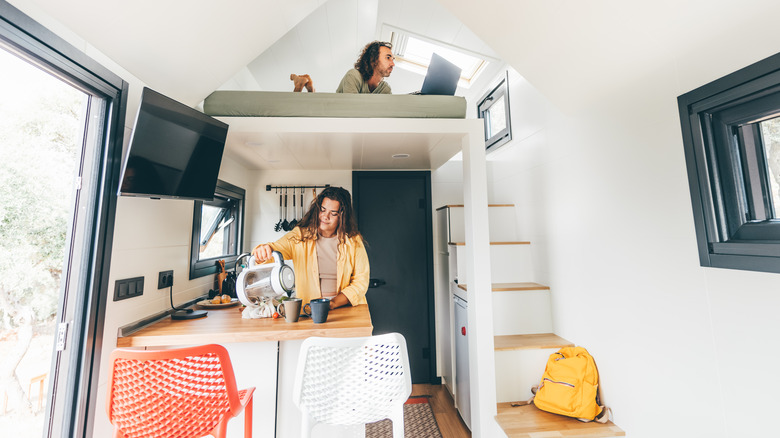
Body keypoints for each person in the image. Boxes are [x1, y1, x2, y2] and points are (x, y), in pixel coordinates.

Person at [252, 187, 369, 310]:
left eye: (333, 213)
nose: (325, 216)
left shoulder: (353, 241)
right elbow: (275, 249)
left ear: (342, 216)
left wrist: (333, 303)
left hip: (345, 306)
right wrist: (263, 251)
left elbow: (361, 281)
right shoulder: (299, 235)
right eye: (322, 210)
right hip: (310, 307)